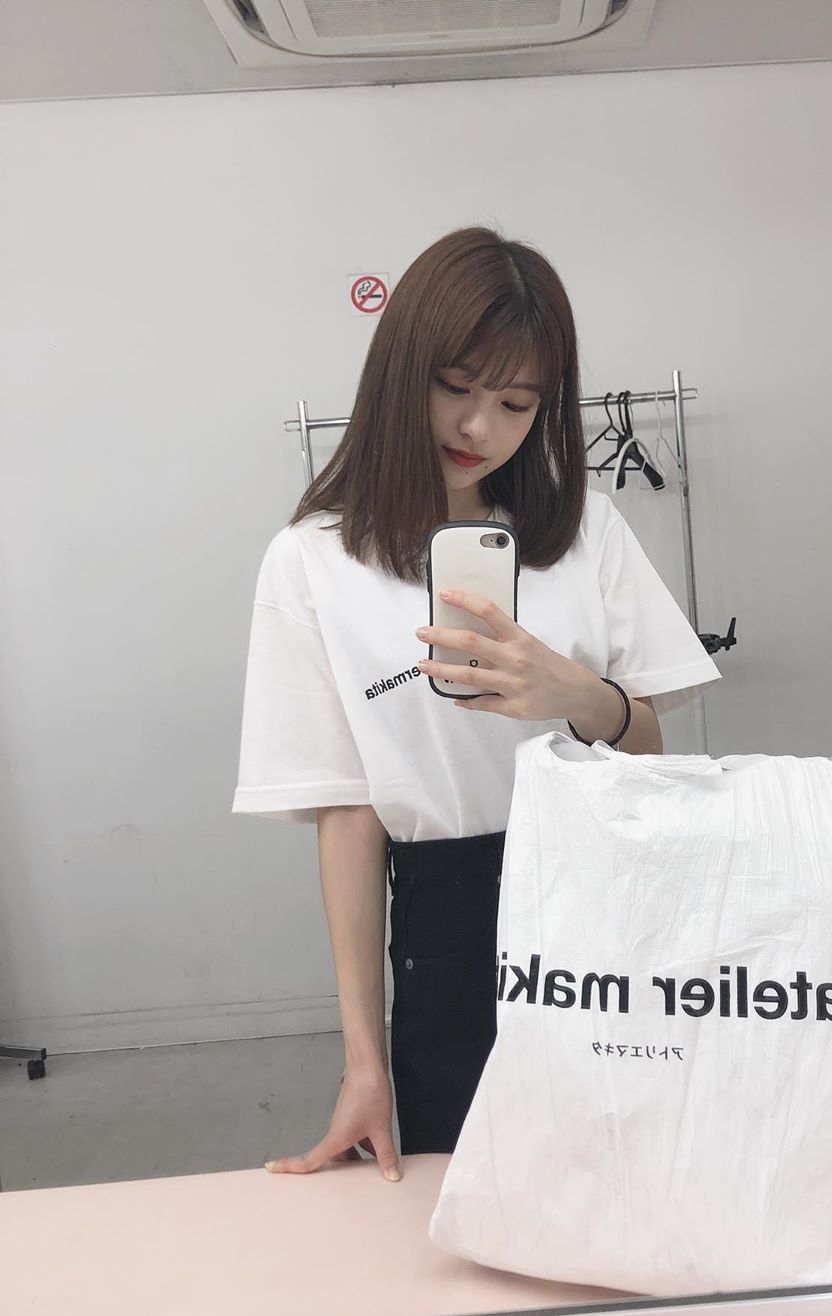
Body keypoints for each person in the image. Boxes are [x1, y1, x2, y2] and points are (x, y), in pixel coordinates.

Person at [231, 225, 721, 1183]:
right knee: (463, 1186)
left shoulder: (584, 532)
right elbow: (348, 814)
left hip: (610, 889)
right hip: (446, 915)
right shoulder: (313, 561)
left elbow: (653, 755)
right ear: (400, 370)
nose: (479, 427)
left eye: (516, 403)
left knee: (634, 1177)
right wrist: (363, 1063)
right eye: (455, 386)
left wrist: (577, 695)